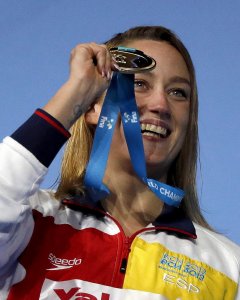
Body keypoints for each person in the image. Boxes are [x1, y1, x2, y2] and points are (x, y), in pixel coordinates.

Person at [0, 25, 239, 300]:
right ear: (92, 106)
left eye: (178, 92)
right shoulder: (31, 222)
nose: (161, 104)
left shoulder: (228, 267)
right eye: (138, 84)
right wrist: (74, 94)